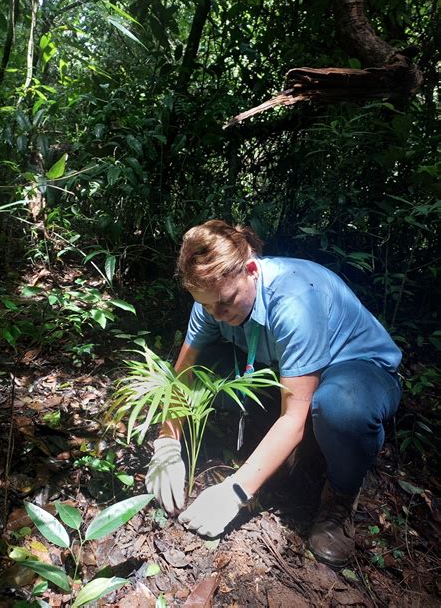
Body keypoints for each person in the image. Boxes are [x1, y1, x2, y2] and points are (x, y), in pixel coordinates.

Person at [145, 220, 402, 568]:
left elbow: (294, 418)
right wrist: (167, 443)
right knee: (209, 374)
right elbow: (183, 375)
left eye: (224, 303)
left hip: (356, 371)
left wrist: (235, 491)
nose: (216, 315)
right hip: (287, 368)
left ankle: (340, 495)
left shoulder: (295, 300)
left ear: (251, 270)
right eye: (205, 306)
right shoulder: (212, 299)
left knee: (342, 409)